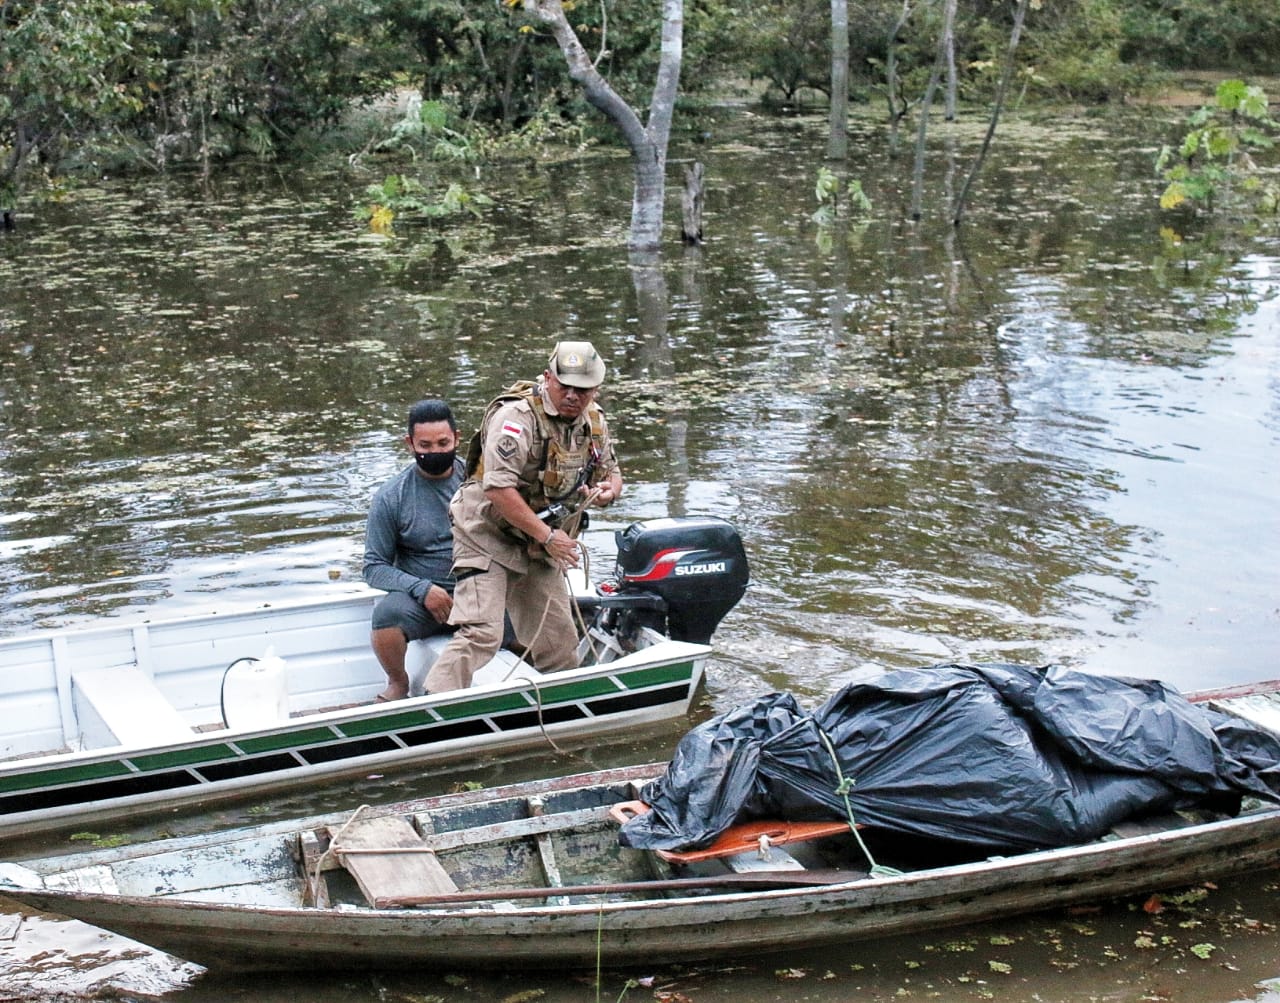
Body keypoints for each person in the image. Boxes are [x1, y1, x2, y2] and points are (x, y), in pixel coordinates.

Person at [425, 341, 623, 694]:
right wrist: (549, 537)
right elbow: (498, 489)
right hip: (487, 532)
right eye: (565, 386)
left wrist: (609, 490)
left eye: (583, 389)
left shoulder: (594, 421)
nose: (573, 396)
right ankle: (434, 705)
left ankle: (562, 707)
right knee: (482, 632)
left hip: (539, 540)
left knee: (558, 641)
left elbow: (611, 472)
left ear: (596, 388)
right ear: (548, 378)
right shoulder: (516, 419)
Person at [363, 398, 464, 701]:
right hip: (424, 602)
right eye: (425, 445)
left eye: (443, 443)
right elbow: (373, 567)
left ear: (457, 439)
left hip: (480, 590)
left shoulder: (479, 479)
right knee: (386, 616)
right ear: (410, 444)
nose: (435, 452)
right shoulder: (391, 496)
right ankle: (398, 682)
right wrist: (422, 589)